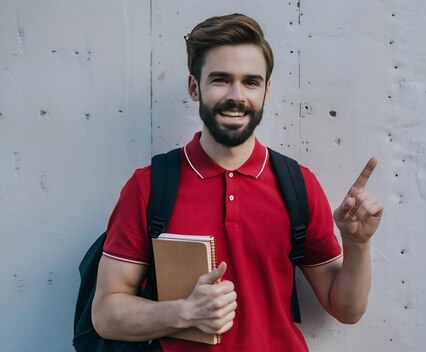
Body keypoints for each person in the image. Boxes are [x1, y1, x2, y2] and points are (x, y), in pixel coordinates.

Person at [91, 13, 384, 352]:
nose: (236, 95)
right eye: (220, 80)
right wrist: (184, 312)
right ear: (193, 87)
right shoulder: (150, 186)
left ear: (266, 91)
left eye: (250, 82)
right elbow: (106, 314)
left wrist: (357, 244)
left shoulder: (298, 184)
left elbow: (347, 310)